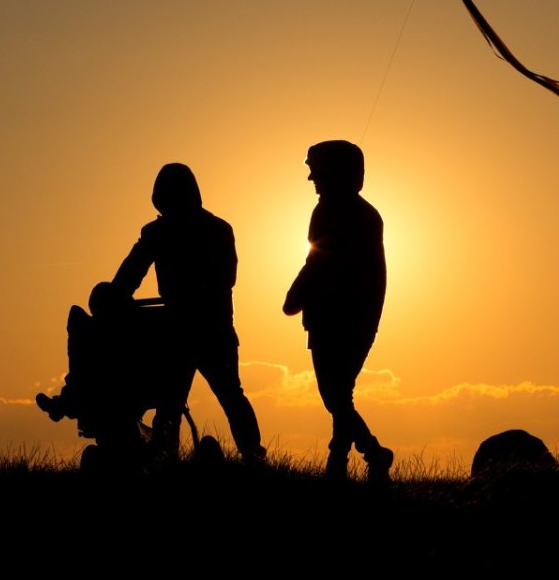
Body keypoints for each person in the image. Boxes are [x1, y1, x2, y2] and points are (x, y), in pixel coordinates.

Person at [112, 163, 265, 464]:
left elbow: (225, 277)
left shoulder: (199, 230)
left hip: (204, 329)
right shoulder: (208, 229)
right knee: (182, 399)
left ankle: (249, 455)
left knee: (210, 397)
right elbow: (132, 270)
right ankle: (173, 456)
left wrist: (117, 294)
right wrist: (115, 294)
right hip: (195, 330)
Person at [283, 140, 394, 483]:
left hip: (336, 319)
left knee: (334, 395)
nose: (311, 178)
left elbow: (318, 260)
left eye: (315, 169)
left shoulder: (332, 212)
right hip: (358, 318)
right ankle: (338, 463)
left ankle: (373, 452)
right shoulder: (365, 213)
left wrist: (295, 296)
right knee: (340, 393)